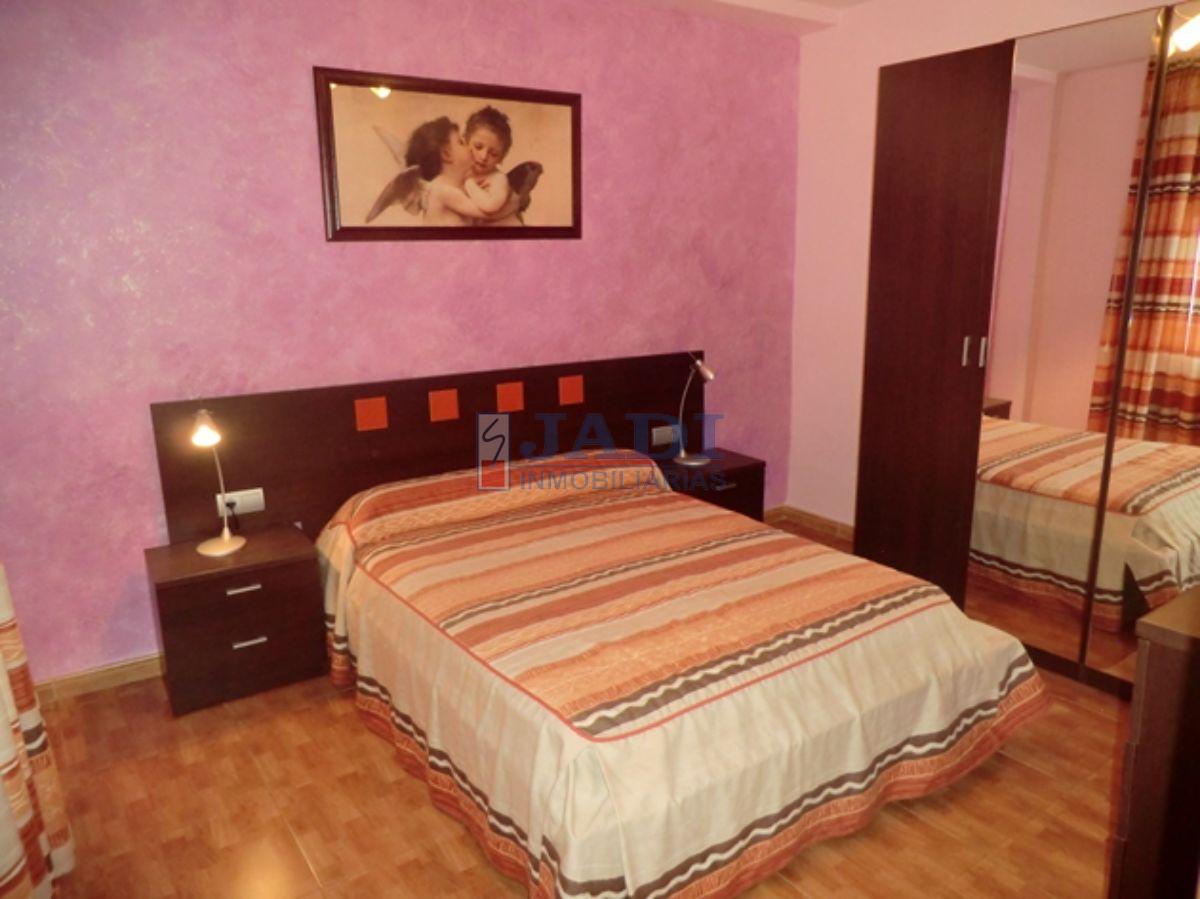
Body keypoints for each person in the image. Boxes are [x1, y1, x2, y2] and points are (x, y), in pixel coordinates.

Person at [402, 116, 487, 225]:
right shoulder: (441, 190)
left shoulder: (454, 188)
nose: (470, 148)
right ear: (446, 154)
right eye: (461, 142)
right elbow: (488, 213)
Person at [462, 106, 523, 226]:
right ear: (465, 142)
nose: (484, 156)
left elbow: (491, 206)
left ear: (501, 157)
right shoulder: (461, 171)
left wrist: (469, 184)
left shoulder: (498, 178)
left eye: (493, 154)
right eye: (478, 147)